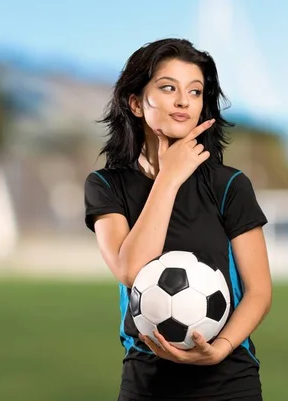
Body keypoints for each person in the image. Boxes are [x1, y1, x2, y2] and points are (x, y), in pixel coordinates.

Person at [83, 38, 273, 401]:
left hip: (228, 380)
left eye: (196, 91)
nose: (184, 101)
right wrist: (168, 178)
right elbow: (130, 268)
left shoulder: (229, 184)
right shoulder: (106, 185)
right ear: (136, 103)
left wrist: (220, 348)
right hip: (147, 381)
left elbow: (259, 291)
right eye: (168, 88)